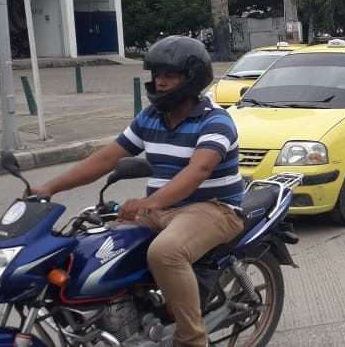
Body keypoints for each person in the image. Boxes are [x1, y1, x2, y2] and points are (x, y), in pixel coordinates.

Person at [31, 36, 244, 347]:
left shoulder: (215, 121)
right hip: (161, 210)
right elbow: (107, 158)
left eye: (169, 75)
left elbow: (198, 171)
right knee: (98, 249)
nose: (159, 82)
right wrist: (49, 187)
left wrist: (148, 203)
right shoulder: (151, 118)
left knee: (166, 252)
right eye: (156, 74)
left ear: (191, 78)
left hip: (214, 208)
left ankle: (191, 338)